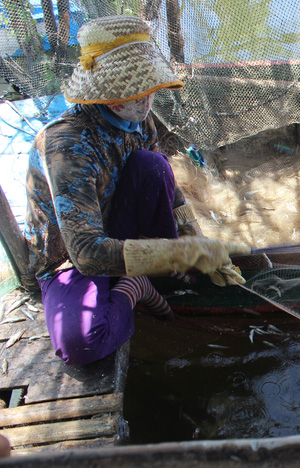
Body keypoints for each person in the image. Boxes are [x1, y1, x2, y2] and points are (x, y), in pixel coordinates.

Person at [24, 15, 248, 365]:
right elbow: (85, 253)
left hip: (117, 229)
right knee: (81, 342)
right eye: (140, 93)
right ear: (111, 97)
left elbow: (168, 191)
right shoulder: (67, 147)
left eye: (151, 92)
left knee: (153, 165)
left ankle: (165, 276)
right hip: (72, 255)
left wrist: (197, 241)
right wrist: (178, 254)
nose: (148, 103)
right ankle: (137, 287)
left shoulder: (139, 121)